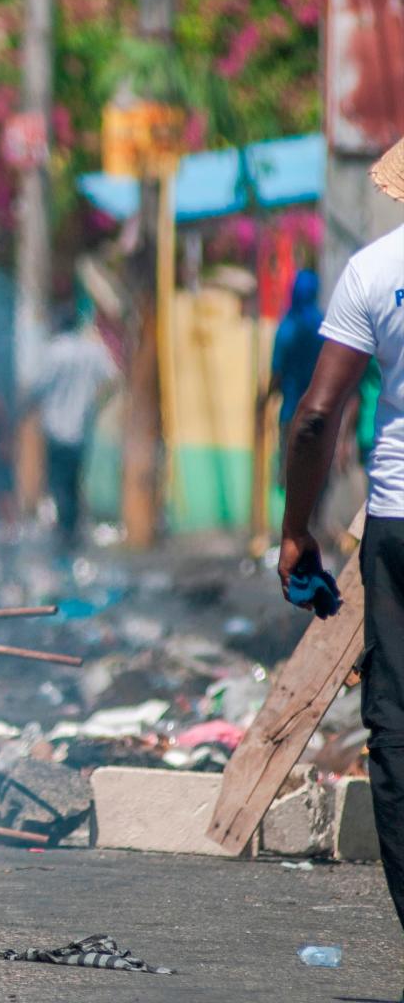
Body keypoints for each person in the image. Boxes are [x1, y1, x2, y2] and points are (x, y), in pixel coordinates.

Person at [278, 151, 404, 954]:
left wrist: (298, 530)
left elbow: (317, 415)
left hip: (397, 524)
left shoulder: (374, 270)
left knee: (395, 731)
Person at [34, 307, 117, 554]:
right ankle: (72, 534)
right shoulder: (92, 351)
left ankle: (64, 536)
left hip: (55, 429)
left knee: (58, 484)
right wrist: (94, 403)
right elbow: (113, 379)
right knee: (75, 480)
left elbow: (37, 387)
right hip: (81, 428)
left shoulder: (52, 352)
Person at [268, 268, 327, 452]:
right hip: (319, 416)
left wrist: (266, 398)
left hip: (291, 413)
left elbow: (277, 374)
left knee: (290, 473)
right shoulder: (325, 329)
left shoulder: (286, 327)